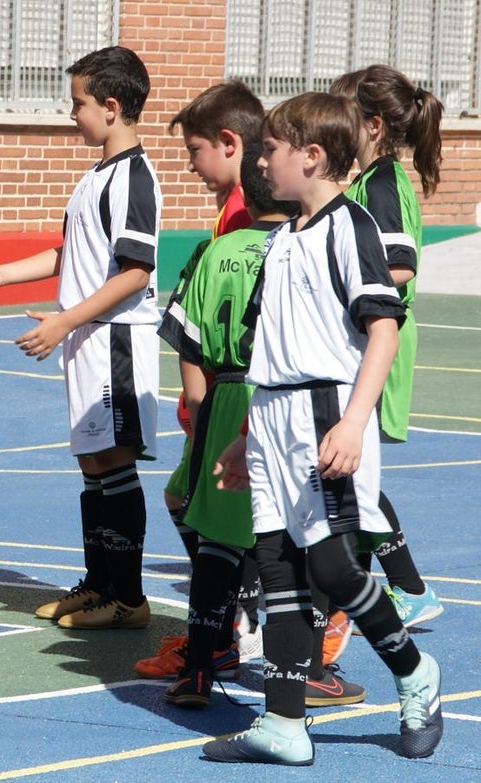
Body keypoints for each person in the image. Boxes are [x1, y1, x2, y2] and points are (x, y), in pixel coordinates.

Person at [202, 92, 442, 765]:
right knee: (277, 567)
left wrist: (356, 420)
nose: (260, 161)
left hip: (324, 415)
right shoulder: (280, 241)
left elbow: (383, 327)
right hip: (273, 417)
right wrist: (247, 436)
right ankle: (283, 722)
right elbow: (271, 346)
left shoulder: (349, 226)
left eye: (270, 149)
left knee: (332, 565)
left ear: (310, 156)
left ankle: (412, 669)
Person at [0, 46, 159, 630]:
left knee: (115, 463)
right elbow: (74, 253)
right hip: (87, 337)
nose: (72, 115)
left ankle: (129, 597)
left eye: (78, 104)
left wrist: (66, 319)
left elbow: (136, 270)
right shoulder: (97, 176)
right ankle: (101, 583)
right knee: (93, 463)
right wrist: (0, 276)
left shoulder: (134, 178)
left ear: (111, 108)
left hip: (115, 341)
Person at [149, 146, 293, 705]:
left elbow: (185, 335)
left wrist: (199, 405)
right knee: (289, 542)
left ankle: (200, 670)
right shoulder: (300, 248)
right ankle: (297, 672)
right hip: (282, 396)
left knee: (216, 545)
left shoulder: (216, 251)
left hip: (225, 393)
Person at [140, 80, 266, 677]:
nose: (191, 167)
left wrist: (200, 400)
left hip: (233, 398)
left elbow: (207, 318)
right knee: (189, 504)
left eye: (193, 151)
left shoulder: (245, 218)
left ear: (228, 142)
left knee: (212, 516)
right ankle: (232, 620)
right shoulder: (235, 210)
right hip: (225, 396)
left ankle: (227, 632)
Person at [329, 65, 444, 629]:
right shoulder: (368, 180)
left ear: (372, 125)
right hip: (373, 336)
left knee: (354, 472)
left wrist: (338, 287)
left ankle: (407, 589)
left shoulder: (379, 185)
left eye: (342, 118)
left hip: (381, 339)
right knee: (350, 473)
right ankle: (369, 584)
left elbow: (398, 267)